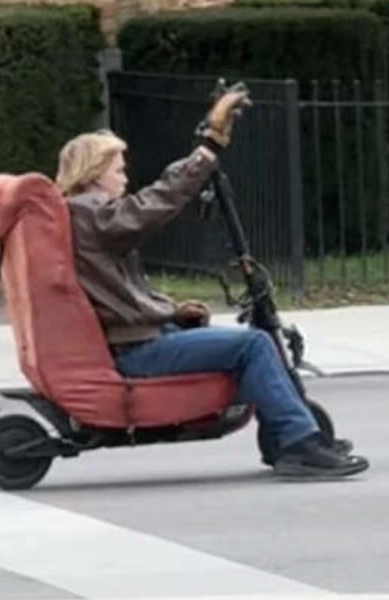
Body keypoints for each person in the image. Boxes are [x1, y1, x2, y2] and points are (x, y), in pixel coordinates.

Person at [56, 85, 369, 479]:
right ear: (93, 173)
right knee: (254, 344)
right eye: (117, 170)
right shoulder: (91, 214)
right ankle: (299, 445)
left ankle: (287, 436)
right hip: (136, 350)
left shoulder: (88, 216)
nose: (125, 177)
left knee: (246, 345)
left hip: (141, 336)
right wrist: (206, 151)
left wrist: (169, 311)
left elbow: (120, 287)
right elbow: (154, 203)